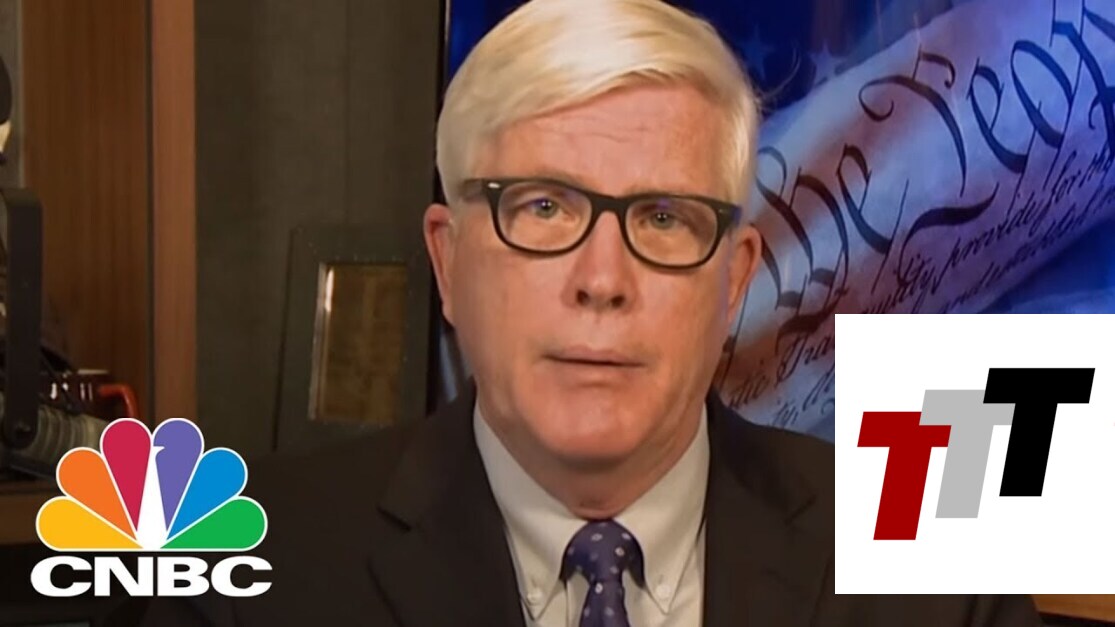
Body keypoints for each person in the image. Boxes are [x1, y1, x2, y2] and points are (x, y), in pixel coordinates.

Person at [136, 0, 1040, 624]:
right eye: (542, 208)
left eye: (662, 217)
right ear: (448, 263)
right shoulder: (243, 572)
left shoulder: (933, 573)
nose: (601, 278)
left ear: (733, 282)